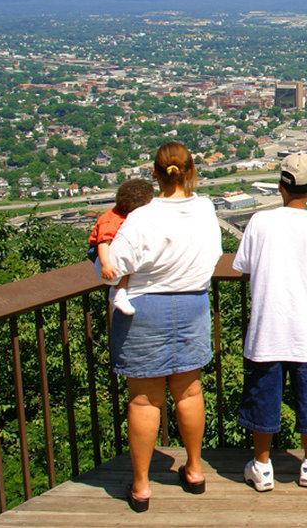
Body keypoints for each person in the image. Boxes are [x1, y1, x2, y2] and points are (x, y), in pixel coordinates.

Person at [106, 142, 222, 512]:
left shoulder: (142, 217)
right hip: (192, 303)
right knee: (188, 391)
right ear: (190, 172)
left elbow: (116, 266)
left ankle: (141, 486)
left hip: (146, 308)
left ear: (154, 174)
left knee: (143, 399)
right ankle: (195, 469)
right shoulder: (205, 209)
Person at [234, 152, 307, 492]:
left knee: (262, 398)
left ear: (280, 187)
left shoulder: (259, 222)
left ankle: (262, 466)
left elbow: (244, 267)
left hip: (267, 326)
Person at [90, 178, 155, 315]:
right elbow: (103, 243)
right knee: (126, 259)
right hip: (99, 251)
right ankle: (119, 293)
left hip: (109, 246)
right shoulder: (111, 220)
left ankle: (120, 292)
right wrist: (106, 264)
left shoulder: (125, 215)